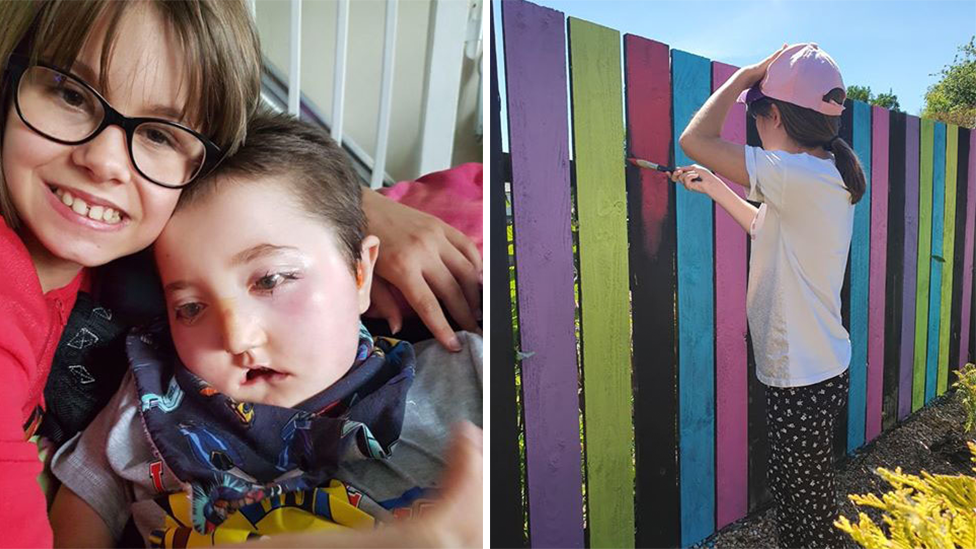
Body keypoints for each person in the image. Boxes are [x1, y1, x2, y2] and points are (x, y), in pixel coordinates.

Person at [0, 1, 480, 547]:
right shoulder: (151, 397)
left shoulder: (463, 379)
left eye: (158, 134)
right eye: (70, 93)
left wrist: (356, 205)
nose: (106, 162)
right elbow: (85, 497)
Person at [670, 43, 865, 548]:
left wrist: (741, 78)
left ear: (773, 114)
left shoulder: (794, 174)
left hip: (800, 374)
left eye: (755, 116)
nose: (754, 128)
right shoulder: (819, 174)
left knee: (805, 498)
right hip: (815, 365)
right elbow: (764, 227)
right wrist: (714, 186)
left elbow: (694, 138)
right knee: (802, 486)